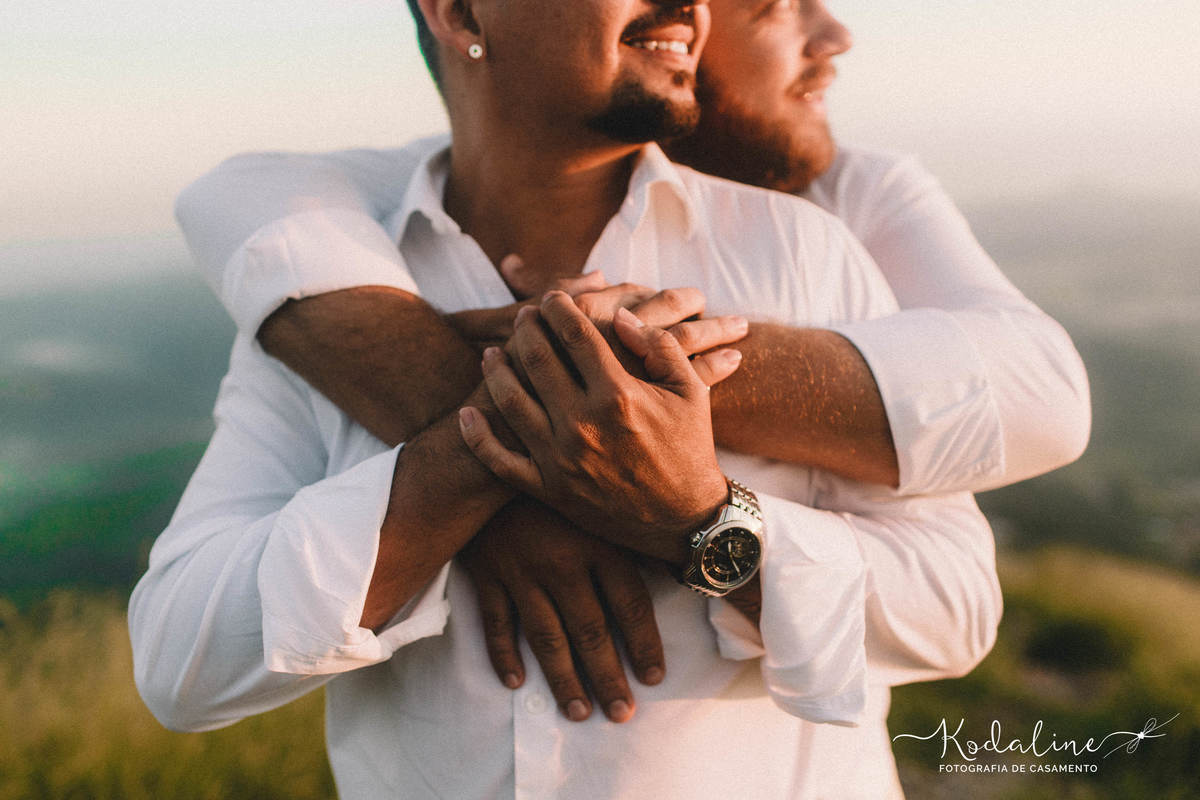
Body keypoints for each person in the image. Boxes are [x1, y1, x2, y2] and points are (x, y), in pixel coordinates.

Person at [132, 1, 1006, 797]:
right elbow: (179, 663)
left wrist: (699, 521)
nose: (691, 6)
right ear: (460, 13)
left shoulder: (805, 253)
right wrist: (467, 461)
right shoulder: (332, 312)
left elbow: (958, 609)